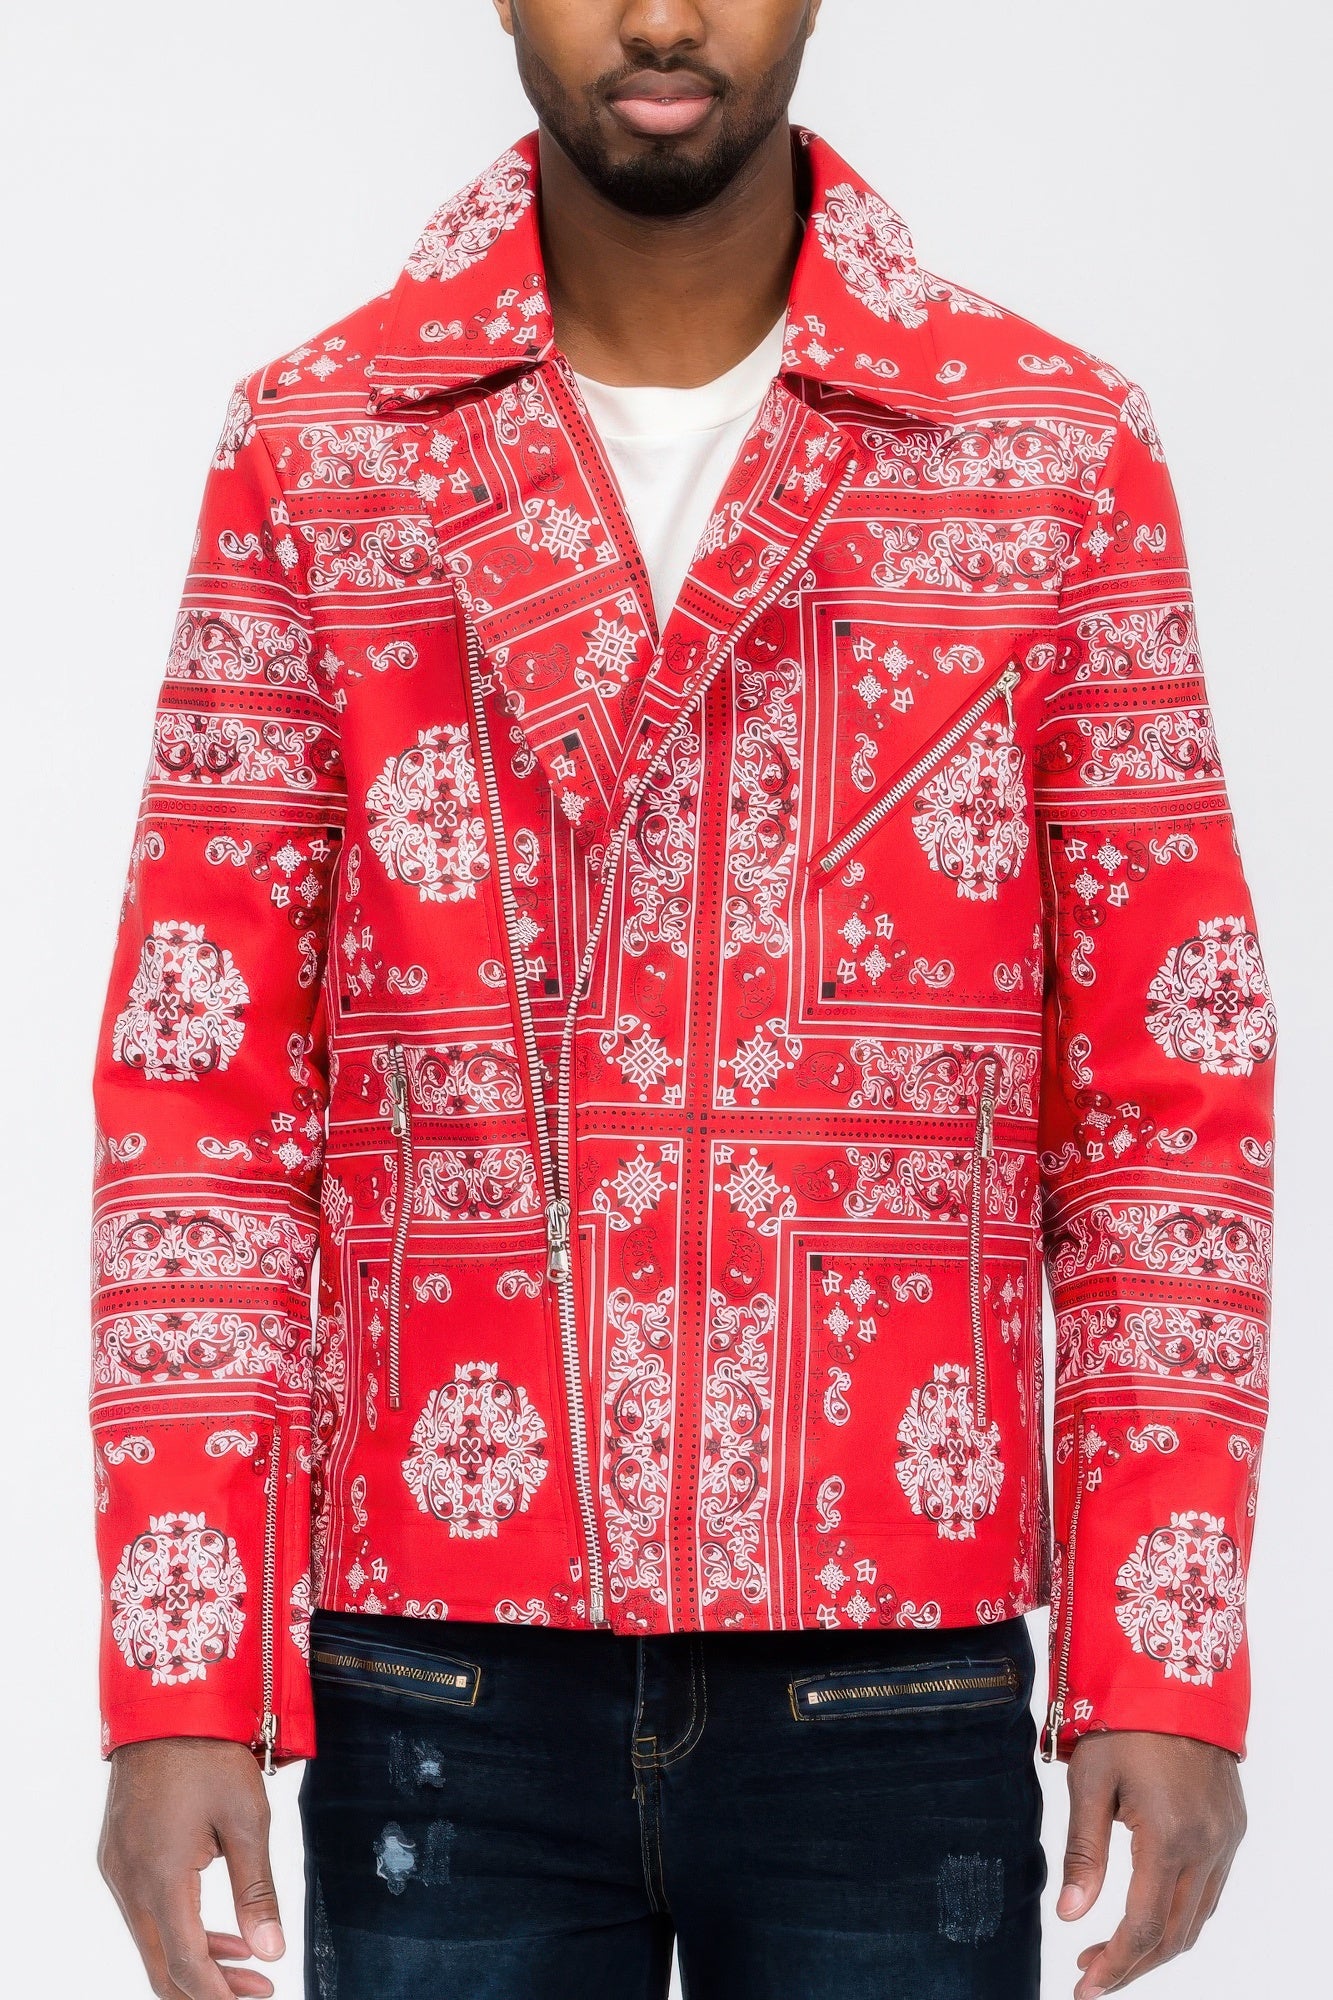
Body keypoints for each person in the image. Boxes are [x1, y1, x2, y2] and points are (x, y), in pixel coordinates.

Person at [90, 4, 1274, 1996]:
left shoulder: (1050, 452)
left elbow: (1174, 1092)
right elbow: (199, 1094)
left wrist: (1164, 1653)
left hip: (890, 1660)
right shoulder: (323, 450)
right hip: (438, 1655)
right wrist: (177, 1676)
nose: (656, 16)